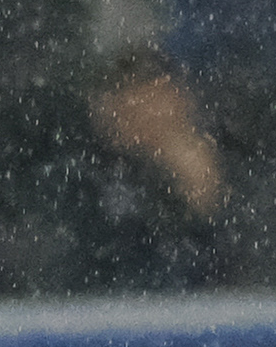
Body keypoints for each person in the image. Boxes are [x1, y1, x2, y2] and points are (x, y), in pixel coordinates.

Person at [66, 44, 241, 294]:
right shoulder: (89, 183)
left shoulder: (241, 164)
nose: (147, 113)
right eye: (130, 104)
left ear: (182, 98)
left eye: (156, 97)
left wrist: (200, 187)